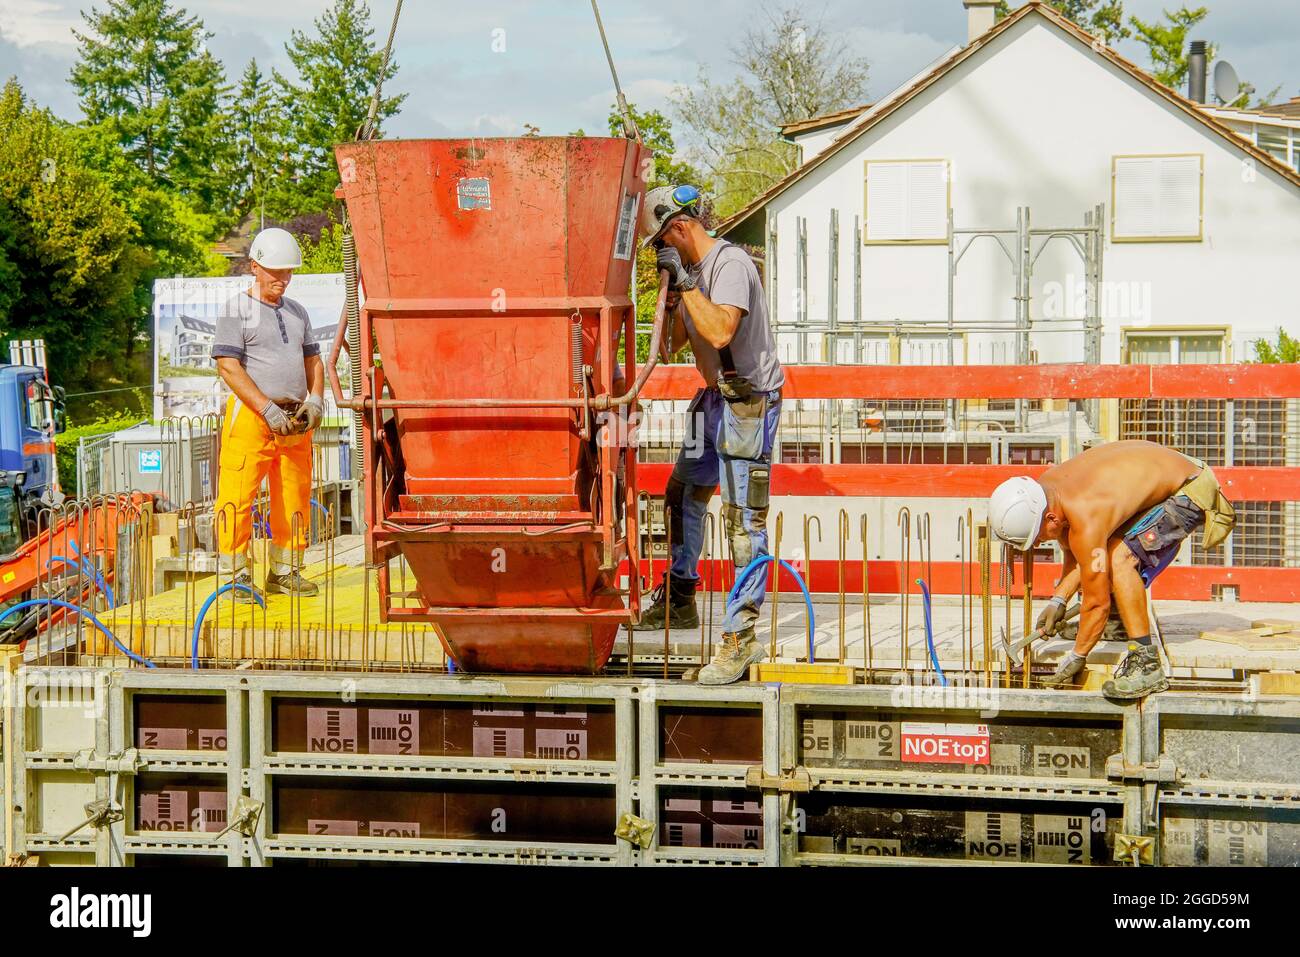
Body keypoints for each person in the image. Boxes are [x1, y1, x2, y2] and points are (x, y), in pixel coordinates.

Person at [634, 185, 785, 685]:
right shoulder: (695, 274)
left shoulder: (731, 264)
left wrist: (687, 283)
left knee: (743, 520)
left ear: (678, 230)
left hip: (747, 402)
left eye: (661, 245)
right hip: (714, 398)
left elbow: (721, 331)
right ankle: (680, 599)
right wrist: (673, 291)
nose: (660, 254)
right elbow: (674, 343)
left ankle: (740, 638)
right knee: (682, 493)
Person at [988, 440, 1235, 699]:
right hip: (1171, 474)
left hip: (1189, 491)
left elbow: (1096, 603)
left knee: (1119, 559)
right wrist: (1058, 600)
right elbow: (1080, 555)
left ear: (1050, 518)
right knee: (1104, 554)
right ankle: (1117, 624)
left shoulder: (1085, 515)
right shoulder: (1050, 491)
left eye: (1036, 537)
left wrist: (1077, 656)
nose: (1038, 543)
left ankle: (1146, 664)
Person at [211, 228, 326, 598]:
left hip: (293, 419)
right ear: (254, 267)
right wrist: (265, 407)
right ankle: (234, 576)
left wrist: (316, 400)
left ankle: (285, 572)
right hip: (250, 418)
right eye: (276, 272)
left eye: (289, 272)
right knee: (237, 493)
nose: (284, 279)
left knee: (294, 492)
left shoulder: (297, 312)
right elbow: (228, 366)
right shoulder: (235, 311)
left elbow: (314, 360)